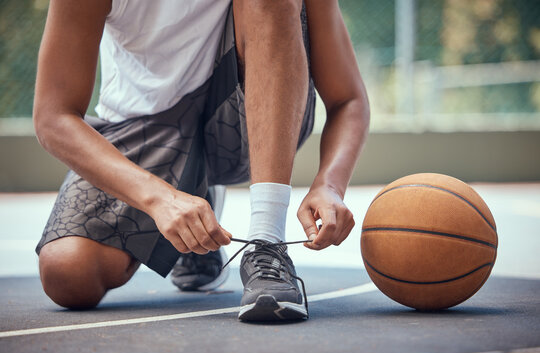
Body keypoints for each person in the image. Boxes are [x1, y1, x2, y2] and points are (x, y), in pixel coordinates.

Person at [33, 0, 369, 321]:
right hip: (144, 128)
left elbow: (348, 99)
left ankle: (267, 246)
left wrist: (330, 185)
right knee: (68, 273)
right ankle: (196, 203)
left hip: (246, 121)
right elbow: (53, 116)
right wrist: (159, 199)